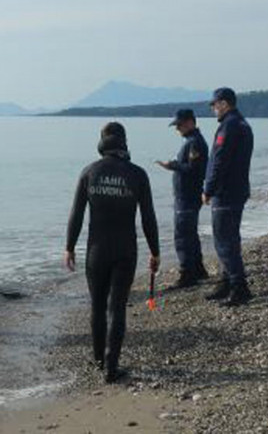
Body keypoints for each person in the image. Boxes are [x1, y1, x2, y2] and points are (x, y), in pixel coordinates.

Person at [64, 122, 160, 383]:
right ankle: (111, 367)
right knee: (117, 307)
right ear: (124, 142)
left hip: (97, 250)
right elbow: (148, 217)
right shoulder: (137, 174)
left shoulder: (89, 172)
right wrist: (155, 251)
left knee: (97, 305)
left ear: (102, 142)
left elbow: (77, 214)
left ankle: (98, 360)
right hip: (125, 249)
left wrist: (69, 247)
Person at [202, 88, 255, 306]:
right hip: (237, 189)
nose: (213, 109)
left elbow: (220, 161)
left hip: (226, 192)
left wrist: (209, 189)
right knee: (230, 238)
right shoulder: (242, 123)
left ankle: (239, 287)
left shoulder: (229, 126)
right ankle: (226, 282)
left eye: (214, 105)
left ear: (224, 104)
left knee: (224, 241)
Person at [156, 108, 209, 288]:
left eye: (179, 125)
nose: (177, 129)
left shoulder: (195, 142)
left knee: (183, 235)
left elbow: (194, 169)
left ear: (190, 122)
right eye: (176, 125)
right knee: (190, 233)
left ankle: (187, 274)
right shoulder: (192, 141)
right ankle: (198, 270)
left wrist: (173, 165)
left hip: (188, 196)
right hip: (188, 195)